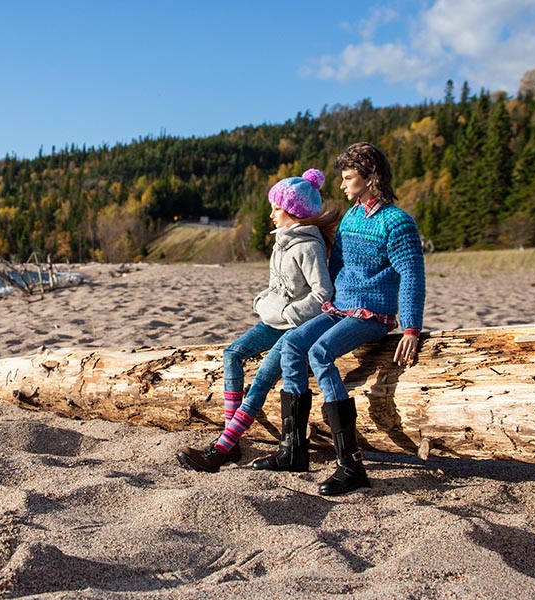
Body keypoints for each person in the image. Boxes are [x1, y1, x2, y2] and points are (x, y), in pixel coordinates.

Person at [274, 142, 425, 495]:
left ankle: (350, 463)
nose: (342, 185)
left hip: (373, 313)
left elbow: (412, 275)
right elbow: (336, 266)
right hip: (339, 308)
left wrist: (411, 328)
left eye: (348, 177)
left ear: (371, 177)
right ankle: (293, 449)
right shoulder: (352, 217)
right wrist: (321, 305)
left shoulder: (397, 221)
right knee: (293, 344)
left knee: (320, 352)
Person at [175, 168, 341, 473]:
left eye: (276, 208)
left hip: (296, 326)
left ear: (293, 212)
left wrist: (290, 314)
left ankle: (220, 449)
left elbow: (322, 294)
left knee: (263, 377)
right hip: (273, 321)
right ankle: (232, 442)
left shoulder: (308, 246)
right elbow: (277, 286)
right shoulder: (282, 241)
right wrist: (262, 301)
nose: (271, 215)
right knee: (232, 354)